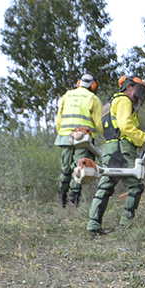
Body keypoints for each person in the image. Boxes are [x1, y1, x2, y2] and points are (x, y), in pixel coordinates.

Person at [86, 75, 145, 237]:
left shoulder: (109, 104)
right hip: (122, 150)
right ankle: (126, 225)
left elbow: (109, 128)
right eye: (138, 90)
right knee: (136, 186)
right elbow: (125, 125)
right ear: (129, 87)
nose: (139, 96)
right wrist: (144, 137)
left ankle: (93, 226)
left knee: (105, 186)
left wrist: (140, 141)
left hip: (110, 148)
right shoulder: (124, 100)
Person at [54, 73, 104, 207]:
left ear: (79, 83)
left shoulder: (66, 95)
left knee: (65, 169)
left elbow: (58, 119)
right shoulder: (92, 98)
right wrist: (107, 134)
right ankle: (73, 201)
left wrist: (62, 133)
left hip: (65, 137)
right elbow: (98, 123)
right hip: (83, 139)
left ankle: (61, 200)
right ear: (93, 85)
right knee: (80, 168)